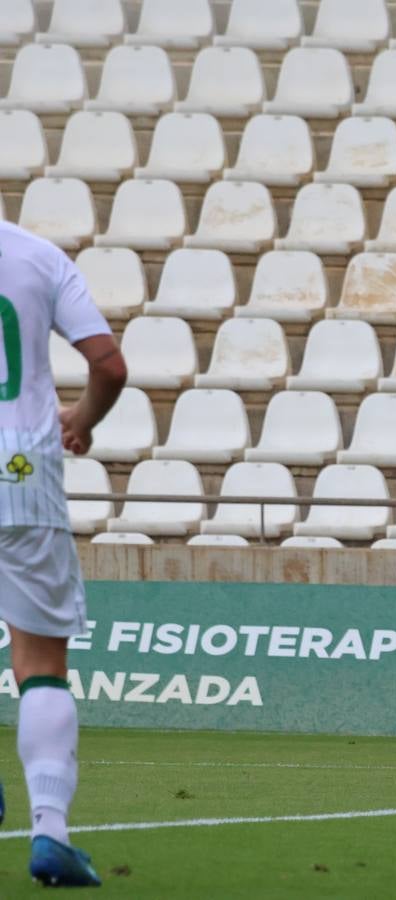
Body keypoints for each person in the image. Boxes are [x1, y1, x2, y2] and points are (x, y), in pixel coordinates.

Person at [0, 219, 127, 885]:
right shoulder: (37, 256)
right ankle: (49, 829)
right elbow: (108, 363)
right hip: (19, 471)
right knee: (41, 660)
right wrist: (83, 418)